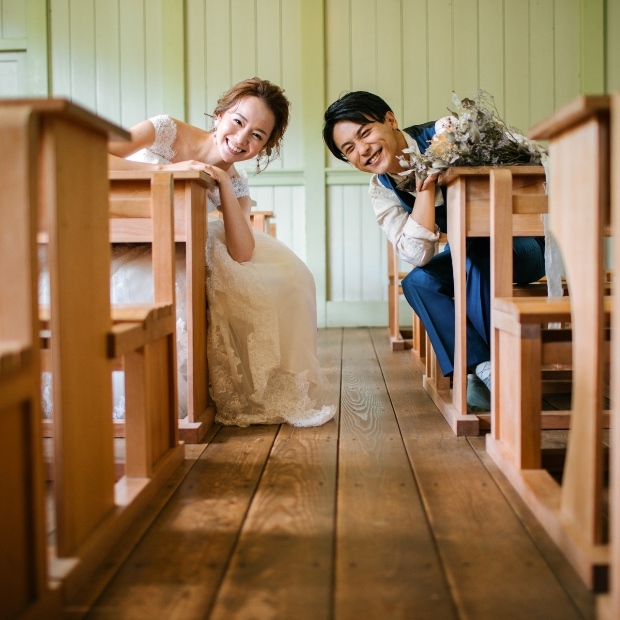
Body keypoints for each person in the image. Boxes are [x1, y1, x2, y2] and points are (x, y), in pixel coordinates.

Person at [105, 77, 336, 427]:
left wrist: (225, 184)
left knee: (282, 277)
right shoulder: (165, 129)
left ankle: (173, 396)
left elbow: (243, 252)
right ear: (219, 116)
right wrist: (168, 171)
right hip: (115, 227)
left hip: (171, 246)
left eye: (257, 135)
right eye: (238, 122)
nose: (242, 139)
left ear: (265, 147)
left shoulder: (237, 184)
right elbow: (96, 154)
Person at [322, 91, 545, 411]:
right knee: (417, 282)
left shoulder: (446, 130)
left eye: (364, 133)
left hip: (524, 246)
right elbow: (417, 255)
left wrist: (440, 156)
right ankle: (483, 368)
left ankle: (503, 372)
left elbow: (526, 150)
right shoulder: (381, 191)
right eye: (349, 149)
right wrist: (425, 187)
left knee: (478, 249)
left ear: (390, 120)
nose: (363, 150)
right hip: (473, 256)